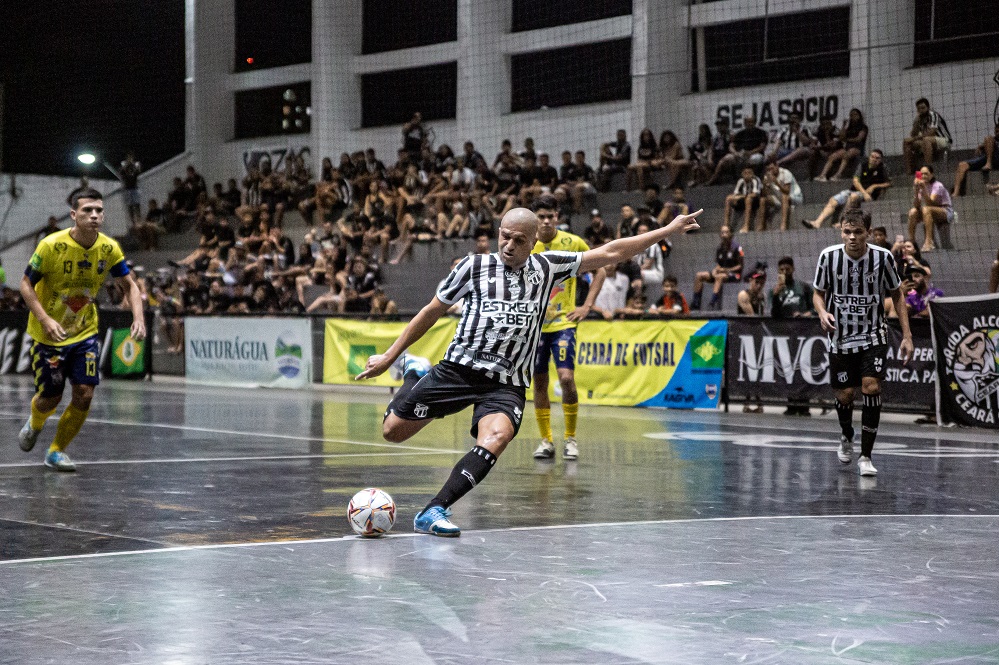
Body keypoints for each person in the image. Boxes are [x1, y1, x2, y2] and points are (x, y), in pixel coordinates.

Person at [355, 206, 703, 536]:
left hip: (505, 384)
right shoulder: (472, 267)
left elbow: (611, 253)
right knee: (393, 432)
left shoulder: (549, 267)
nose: (509, 245)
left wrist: (668, 230)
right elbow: (431, 311)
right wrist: (389, 356)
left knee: (497, 438)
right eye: (504, 236)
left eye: (519, 239)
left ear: (534, 241)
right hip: (458, 371)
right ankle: (415, 371)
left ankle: (434, 510)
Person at [17, 188, 146, 472]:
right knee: (50, 395)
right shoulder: (51, 245)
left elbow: (130, 285)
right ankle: (36, 423)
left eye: (99, 210)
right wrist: (46, 319)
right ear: (74, 215)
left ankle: (56, 451)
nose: (95, 215)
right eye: (88, 210)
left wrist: (138, 317)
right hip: (48, 333)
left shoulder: (109, 248)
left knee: (85, 394)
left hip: (84, 332)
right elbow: (25, 284)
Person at [812, 208, 913, 477]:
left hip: (873, 334)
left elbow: (898, 295)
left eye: (858, 232)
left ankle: (866, 456)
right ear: (840, 231)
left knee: (871, 386)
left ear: (868, 232)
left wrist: (907, 335)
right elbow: (818, 294)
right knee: (844, 394)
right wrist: (822, 312)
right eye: (847, 231)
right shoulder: (828, 257)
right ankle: (846, 434)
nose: (853, 237)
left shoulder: (883, 257)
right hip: (840, 337)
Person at [529, 194, 606, 461]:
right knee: (539, 381)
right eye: (542, 217)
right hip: (535, 326)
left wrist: (586, 305)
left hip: (564, 322)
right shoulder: (528, 243)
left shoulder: (572, 242)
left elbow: (601, 270)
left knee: (566, 378)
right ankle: (546, 441)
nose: (547, 221)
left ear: (557, 218)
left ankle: (570, 439)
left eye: (551, 216)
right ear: (535, 219)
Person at [802, 149, 890, 229]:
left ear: (881, 160)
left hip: (869, 196)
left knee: (853, 197)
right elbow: (855, 181)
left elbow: (889, 183)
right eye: (872, 156)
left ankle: (842, 223)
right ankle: (817, 223)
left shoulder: (883, 168)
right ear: (869, 157)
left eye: (877, 158)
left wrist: (874, 186)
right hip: (857, 191)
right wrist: (864, 193)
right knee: (833, 200)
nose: (874, 159)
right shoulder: (863, 165)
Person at [691, 225, 743, 310]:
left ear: (731, 234)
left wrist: (726, 270)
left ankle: (712, 302)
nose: (724, 235)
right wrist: (715, 270)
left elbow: (740, 266)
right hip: (721, 272)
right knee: (699, 275)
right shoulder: (720, 248)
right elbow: (719, 264)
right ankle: (695, 303)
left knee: (719, 277)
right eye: (722, 232)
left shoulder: (737, 248)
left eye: (726, 232)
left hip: (735, 274)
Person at [737, 268, 767, 413]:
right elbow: (753, 317)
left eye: (761, 282)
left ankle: (758, 402)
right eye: (756, 282)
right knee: (747, 369)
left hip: (757, 336)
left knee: (757, 369)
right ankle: (746, 402)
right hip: (744, 336)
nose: (759, 285)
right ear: (751, 281)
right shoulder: (744, 294)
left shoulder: (761, 297)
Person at [907, 165, 953, 252]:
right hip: (930, 211)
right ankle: (912, 242)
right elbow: (917, 205)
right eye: (921, 174)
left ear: (931, 174)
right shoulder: (921, 186)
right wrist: (916, 191)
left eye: (926, 174)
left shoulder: (938, 185)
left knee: (926, 209)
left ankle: (929, 242)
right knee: (912, 212)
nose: (923, 176)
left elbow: (930, 203)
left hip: (945, 211)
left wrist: (923, 189)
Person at [902, 98, 952, 176]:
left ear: (928, 107)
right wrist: (916, 122)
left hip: (944, 140)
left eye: (923, 108)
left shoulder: (933, 115)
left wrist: (914, 138)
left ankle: (928, 170)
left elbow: (932, 132)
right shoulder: (919, 118)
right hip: (927, 140)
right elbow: (913, 134)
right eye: (919, 109)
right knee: (907, 142)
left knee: (926, 140)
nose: (921, 110)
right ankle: (910, 171)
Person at [952, 122, 997, 196]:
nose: (997, 132)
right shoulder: (992, 140)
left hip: (996, 158)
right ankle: (956, 193)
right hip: (986, 158)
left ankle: (988, 163)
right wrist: (982, 146)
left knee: (988, 138)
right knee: (962, 165)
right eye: (996, 131)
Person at [760, 162, 803, 231]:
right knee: (763, 200)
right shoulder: (767, 176)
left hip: (794, 197)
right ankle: (761, 226)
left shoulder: (786, 173)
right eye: (769, 169)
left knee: (784, 196)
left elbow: (787, 192)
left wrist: (776, 182)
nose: (771, 171)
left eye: (772, 168)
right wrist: (764, 185)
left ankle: (783, 226)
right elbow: (765, 194)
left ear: (777, 166)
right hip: (780, 200)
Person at [724, 167, 762, 233]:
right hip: (744, 199)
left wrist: (741, 197)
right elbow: (735, 194)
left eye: (749, 173)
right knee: (728, 198)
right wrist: (735, 198)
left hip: (754, 201)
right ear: (742, 174)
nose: (747, 175)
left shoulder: (755, 180)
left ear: (752, 174)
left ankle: (746, 225)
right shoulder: (740, 181)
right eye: (745, 173)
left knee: (748, 199)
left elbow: (755, 194)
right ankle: (726, 225)